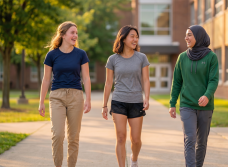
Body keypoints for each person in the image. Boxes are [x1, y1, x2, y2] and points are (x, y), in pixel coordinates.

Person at [38, 21, 91, 167]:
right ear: (63, 34)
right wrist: (41, 102)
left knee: (73, 138)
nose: (76, 35)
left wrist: (88, 99)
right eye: (72, 32)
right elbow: (46, 79)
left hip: (76, 97)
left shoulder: (81, 54)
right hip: (57, 97)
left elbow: (86, 77)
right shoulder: (51, 55)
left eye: (76, 32)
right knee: (58, 135)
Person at [169, 25, 219, 167]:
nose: (186, 38)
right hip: (187, 105)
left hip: (205, 106)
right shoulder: (182, 57)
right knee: (190, 138)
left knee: (202, 141)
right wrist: (172, 103)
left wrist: (207, 96)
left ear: (199, 36)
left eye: (190, 35)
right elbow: (177, 82)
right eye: (186, 35)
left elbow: (213, 80)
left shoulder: (211, 57)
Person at [102, 25, 150, 167]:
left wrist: (146, 97)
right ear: (123, 38)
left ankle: (134, 159)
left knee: (136, 140)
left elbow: (146, 80)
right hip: (118, 101)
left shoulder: (141, 57)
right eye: (132, 36)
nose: (135, 39)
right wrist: (105, 105)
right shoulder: (113, 59)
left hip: (136, 101)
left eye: (137, 37)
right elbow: (108, 83)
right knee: (121, 137)